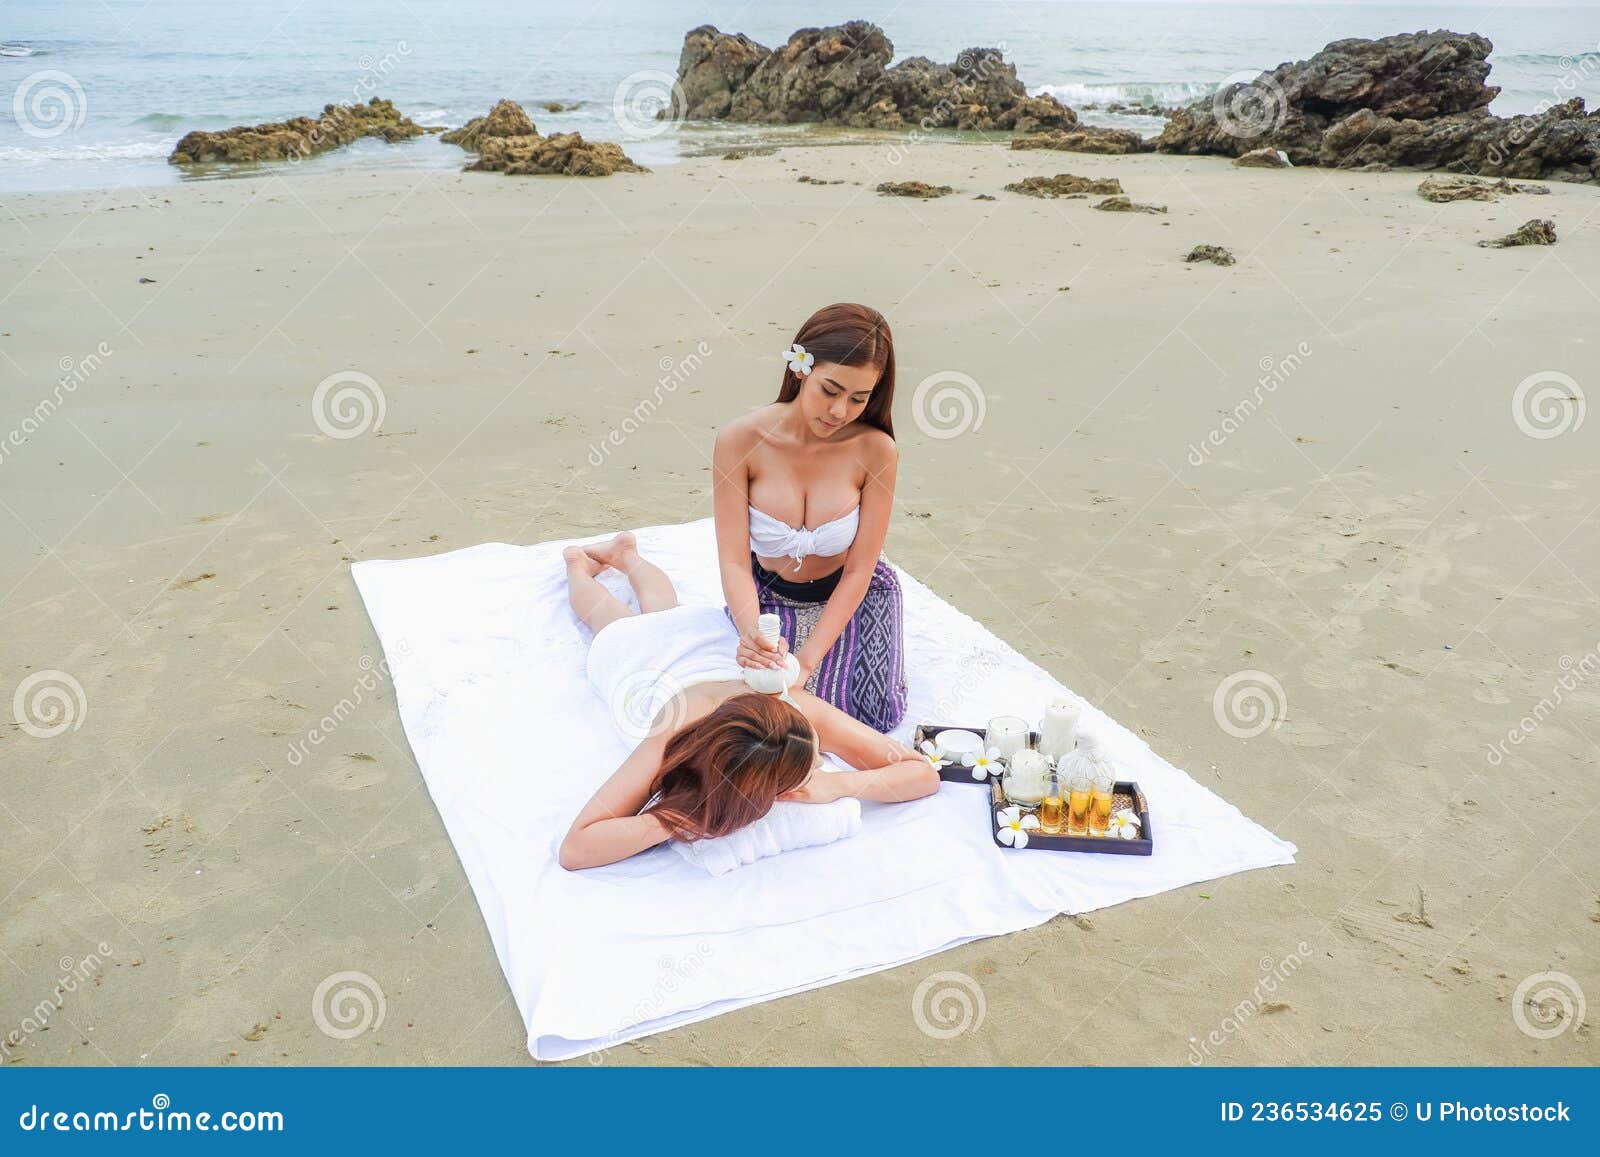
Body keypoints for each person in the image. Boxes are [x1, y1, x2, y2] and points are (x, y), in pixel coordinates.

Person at [558, 533, 938, 871]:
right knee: (609, 619)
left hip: (699, 644)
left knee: (665, 611)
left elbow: (922, 774)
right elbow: (577, 847)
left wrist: (841, 785)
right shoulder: (672, 734)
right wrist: (683, 819)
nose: (817, 769)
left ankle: (626, 555)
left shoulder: (791, 708)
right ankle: (577, 566)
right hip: (642, 661)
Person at [712, 302, 908, 732]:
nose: (839, 411)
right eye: (830, 390)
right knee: (765, 706)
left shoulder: (876, 450)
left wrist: (807, 660)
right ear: (802, 369)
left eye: (859, 398)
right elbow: (733, 560)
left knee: (869, 712)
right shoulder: (740, 440)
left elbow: (860, 569)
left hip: (853, 591)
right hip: (769, 594)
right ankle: (626, 560)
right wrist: (754, 637)